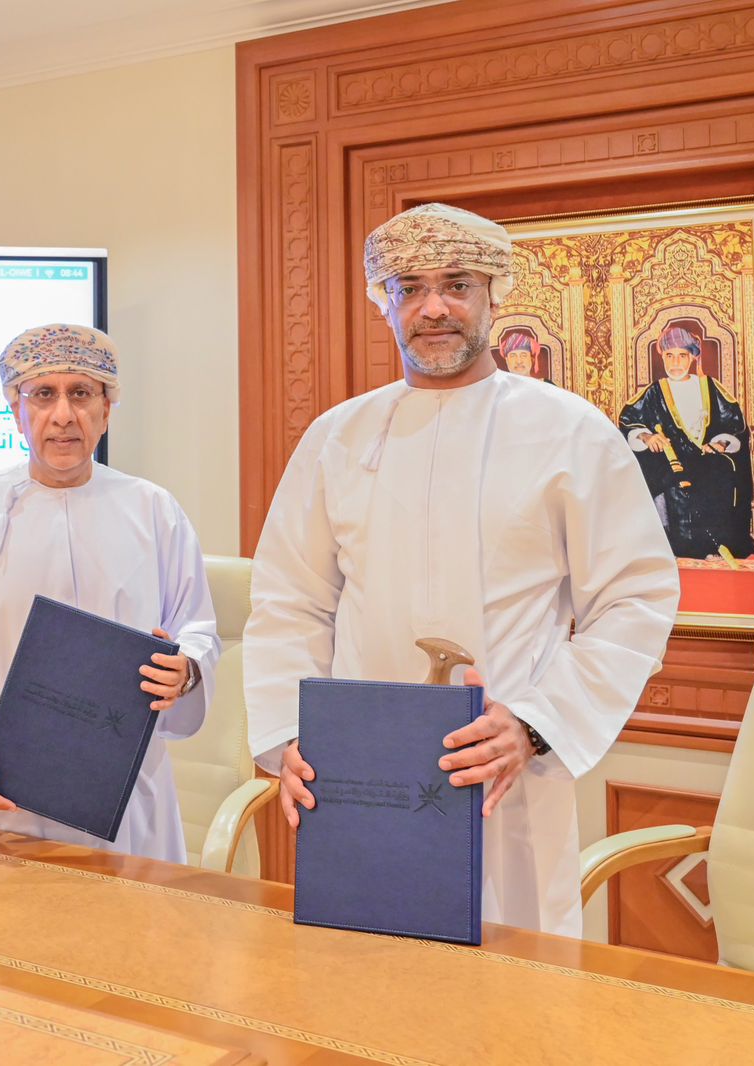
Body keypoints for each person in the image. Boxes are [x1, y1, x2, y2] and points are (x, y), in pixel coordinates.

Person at [244, 203, 679, 935]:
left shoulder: (569, 432)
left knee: (509, 988)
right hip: (359, 775)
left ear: (494, 294)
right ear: (384, 302)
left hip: (506, 776)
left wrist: (534, 724)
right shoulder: (336, 438)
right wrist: (293, 734)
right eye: (410, 288)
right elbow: (291, 601)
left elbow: (633, 599)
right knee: (360, 977)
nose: (434, 307)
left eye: (456, 284)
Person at [0, 323, 220, 862]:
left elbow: (197, 627)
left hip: (124, 785)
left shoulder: (153, 510)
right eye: (43, 394)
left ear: (107, 409)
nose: (63, 414)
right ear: (15, 410)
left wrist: (187, 669)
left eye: (81, 393)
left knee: (129, 916)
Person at [618, 324, 754, 560]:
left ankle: (718, 546)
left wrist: (720, 444)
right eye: (670, 356)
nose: (675, 363)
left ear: (692, 357)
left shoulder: (710, 387)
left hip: (708, 459)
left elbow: (733, 424)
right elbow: (629, 421)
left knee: (722, 472)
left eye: (682, 355)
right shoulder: (654, 392)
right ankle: (676, 548)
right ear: (662, 357)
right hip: (670, 463)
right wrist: (648, 437)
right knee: (666, 479)